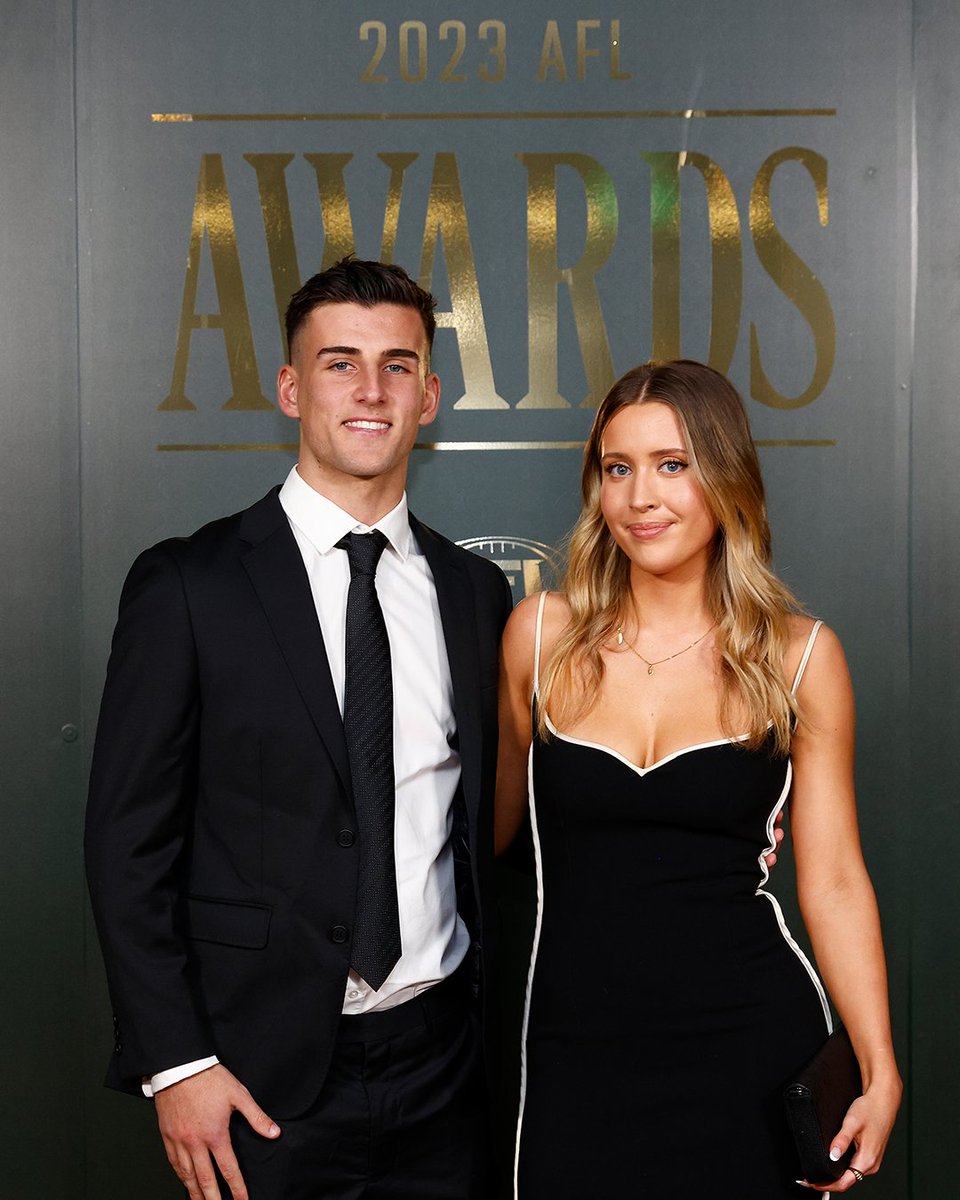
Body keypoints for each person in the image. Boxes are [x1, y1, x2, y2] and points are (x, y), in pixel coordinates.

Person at [85, 257, 513, 1200]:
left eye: (398, 365)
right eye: (338, 363)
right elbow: (126, 849)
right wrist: (177, 1063)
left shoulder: (474, 596)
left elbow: (493, 833)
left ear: (431, 395)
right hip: (256, 1082)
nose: (371, 390)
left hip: (446, 1069)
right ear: (290, 388)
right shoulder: (188, 586)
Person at [495, 360, 902, 1198]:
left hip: (750, 1052)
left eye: (673, 465)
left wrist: (879, 1063)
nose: (641, 497)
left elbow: (830, 880)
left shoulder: (799, 657)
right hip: (572, 1058)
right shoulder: (539, 638)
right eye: (618, 468)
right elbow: (490, 843)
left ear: (725, 479)